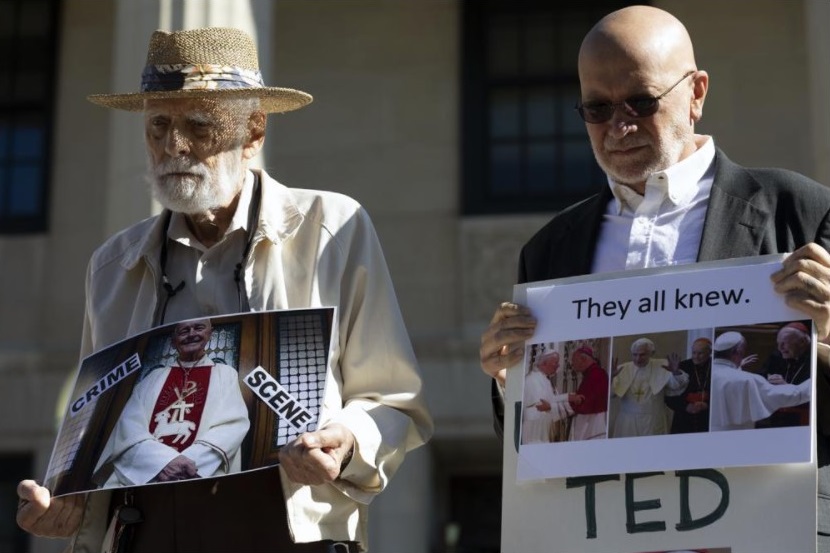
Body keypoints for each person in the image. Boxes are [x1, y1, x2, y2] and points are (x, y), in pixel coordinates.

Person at [16, 27, 432, 553]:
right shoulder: (112, 267)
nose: (174, 146)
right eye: (158, 126)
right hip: (147, 529)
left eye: (199, 125)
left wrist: (344, 443)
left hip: (283, 528)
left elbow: (394, 401)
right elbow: (93, 427)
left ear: (254, 132)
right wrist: (69, 505)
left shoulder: (332, 228)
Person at [477, 4, 830, 549]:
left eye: (641, 101)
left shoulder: (802, 213)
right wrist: (508, 380)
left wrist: (828, 335)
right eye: (596, 108)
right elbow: (533, 451)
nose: (619, 126)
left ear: (696, 94)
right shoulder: (548, 249)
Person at [92, 318, 250, 487]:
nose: (191, 334)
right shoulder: (152, 378)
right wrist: (162, 463)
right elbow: (129, 428)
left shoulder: (225, 374)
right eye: (184, 331)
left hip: (198, 474)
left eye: (198, 328)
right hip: (148, 473)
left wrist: (187, 463)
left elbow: (231, 425)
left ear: (210, 334)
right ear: (174, 341)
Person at [709, 331, 811, 431]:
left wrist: (737, 367)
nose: (780, 348)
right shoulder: (748, 380)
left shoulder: (708, 374)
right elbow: (797, 395)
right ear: (739, 351)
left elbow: (726, 378)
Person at [610, 338, 687, 438]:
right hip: (627, 422)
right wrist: (610, 378)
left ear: (651, 353)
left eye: (642, 354)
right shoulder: (622, 369)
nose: (638, 359)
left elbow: (677, 387)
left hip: (654, 420)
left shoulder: (662, 366)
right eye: (634, 354)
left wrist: (675, 372)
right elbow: (611, 395)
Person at [522, 351, 577, 443]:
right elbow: (542, 404)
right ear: (544, 363)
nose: (558, 365)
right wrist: (568, 404)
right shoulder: (532, 379)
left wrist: (568, 397)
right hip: (535, 428)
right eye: (555, 362)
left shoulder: (545, 379)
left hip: (543, 427)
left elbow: (550, 399)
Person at [665, 337, 712, 434]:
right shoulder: (682, 366)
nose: (696, 356)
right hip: (683, 420)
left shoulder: (715, 367)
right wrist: (685, 406)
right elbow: (669, 395)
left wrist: (708, 405)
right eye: (694, 353)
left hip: (707, 420)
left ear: (709, 352)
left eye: (700, 353)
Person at [567, 346, 609, 441]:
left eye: (574, 360)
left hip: (592, 426)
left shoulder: (596, 374)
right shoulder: (591, 373)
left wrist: (566, 401)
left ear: (583, 359)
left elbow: (584, 403)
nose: (572, 364)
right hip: (589, 423)